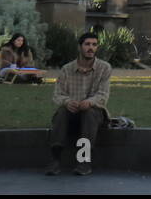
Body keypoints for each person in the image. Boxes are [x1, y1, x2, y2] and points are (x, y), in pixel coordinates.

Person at [47, 31, 112, 176]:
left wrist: (89, 102)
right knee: (61, 112)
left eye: (94, 45)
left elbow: (103, 95)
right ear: (80, 47)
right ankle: (55, 160)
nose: (91, 48)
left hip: (94, 112)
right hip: (72, 111)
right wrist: (67, 101)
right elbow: (57, 94)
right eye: (87, 44)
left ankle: (84, 162)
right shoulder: (67, 69)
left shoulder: (104, 68)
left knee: (89, 113)